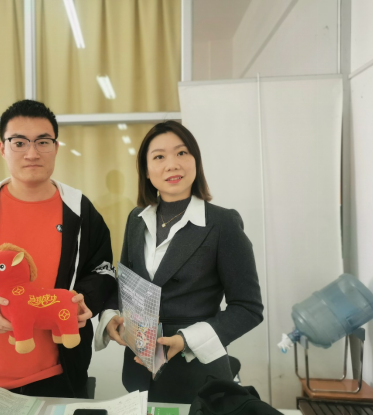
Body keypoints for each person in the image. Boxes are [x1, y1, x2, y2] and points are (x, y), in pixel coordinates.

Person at [0, 100, 117, 397]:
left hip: (59, 376)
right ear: (3, 148)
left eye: (43, 141)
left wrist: (86, 299)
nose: (32, 153)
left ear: (56, 147)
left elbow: (102, 270)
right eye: (19, 142)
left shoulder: (79, 211)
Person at [95, 120, 264, 404]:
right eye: (159, 157)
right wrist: (111, 316)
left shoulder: (222, 223)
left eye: (182, 153)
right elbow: (126, 286)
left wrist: (187, 339)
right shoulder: (136, 220)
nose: (172, 164)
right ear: (146, 171)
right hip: (140, 369)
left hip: (197, 374)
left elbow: (248, 308)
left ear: (196, 161)